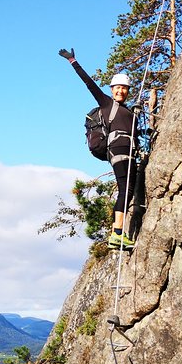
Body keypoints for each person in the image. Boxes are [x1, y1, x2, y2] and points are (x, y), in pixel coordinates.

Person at [59, 47, 138, 250]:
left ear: (128, 91)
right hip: (119, 148)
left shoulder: (129, 111)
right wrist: (73, 61)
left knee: (128, 190)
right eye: (117, 88)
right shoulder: (106, 104)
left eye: (124, 88)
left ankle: (116, 233)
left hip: (126, 149)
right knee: (125, 190)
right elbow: (89, 84)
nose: (120, 91)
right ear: (112, 89)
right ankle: (117, 234)